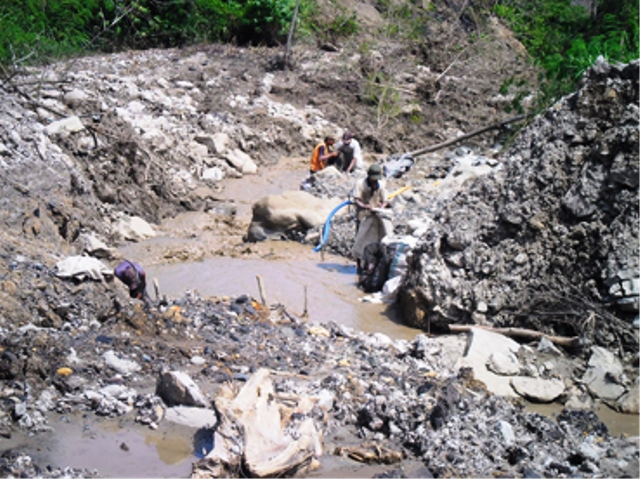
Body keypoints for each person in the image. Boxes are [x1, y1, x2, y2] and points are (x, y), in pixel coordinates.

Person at [352, 163, 392, 277]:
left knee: (375, 240)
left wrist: (381, 208)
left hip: (376, 216)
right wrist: (364, 206)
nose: (375, 182)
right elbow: (356, 199)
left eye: (376, 180)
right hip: (363, 216)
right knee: (360, 239)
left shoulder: (381, 185)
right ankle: (359, 266)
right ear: (368, 176)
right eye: (373, 180)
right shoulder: (360, 184)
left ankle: (371, 265)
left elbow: (385, 200)